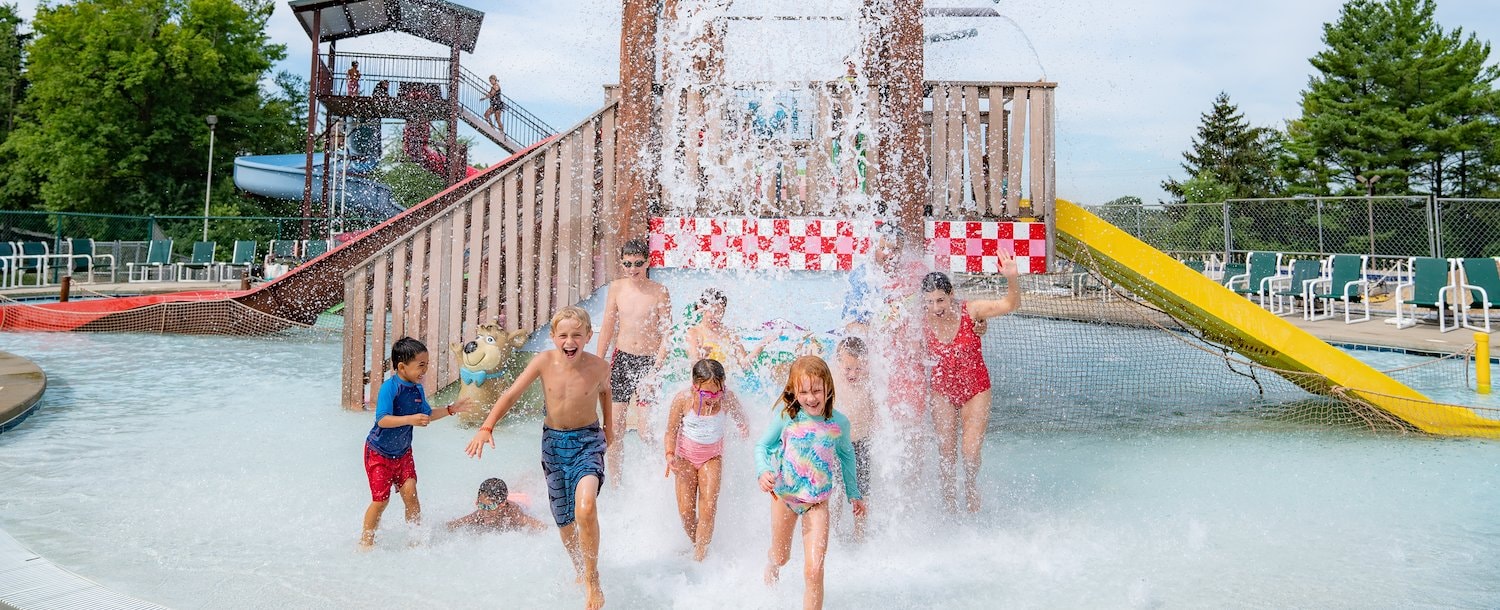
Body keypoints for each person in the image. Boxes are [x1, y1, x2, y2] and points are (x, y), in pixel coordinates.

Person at [466, 306, 613, 610]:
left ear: (587, 336)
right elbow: (510, 394)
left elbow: (605, 394)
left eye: (576, 335)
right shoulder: (543, 361)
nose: (569, 341)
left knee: (585, 508)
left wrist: (609, 428)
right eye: (563, 335)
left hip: (588, 441)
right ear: (553, 337)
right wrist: (486, 426)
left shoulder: (599, 366)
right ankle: (578, 567)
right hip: (554, 445)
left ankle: (592, 577)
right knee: (564, 520)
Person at [756, 356, 866, 610]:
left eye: (816, 390)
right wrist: (762, 471)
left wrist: (854, 493)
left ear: (828, 386)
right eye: (803, 391)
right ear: (794, 391)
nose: (811, 397)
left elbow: (847, 456)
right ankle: (772, 562)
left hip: (818, 504)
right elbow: (762, 445)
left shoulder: (838, 423)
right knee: (782, 557)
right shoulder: (787, 417)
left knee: (814, 571)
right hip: (785, 499)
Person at [919, 256, 1021, 514]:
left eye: (940, 300)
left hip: (976, 388)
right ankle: (949, 502)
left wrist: (1011, 277)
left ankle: (971, 486)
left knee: (971, 452)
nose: (935, 307)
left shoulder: (971, 311)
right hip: (942, 390)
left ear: (951, 294)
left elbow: (1011, 304)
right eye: (929, 302)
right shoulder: (920, 320)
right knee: (946, 452)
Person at [360, 337, 472, 548]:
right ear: (402, 367)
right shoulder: (390, 388)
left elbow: (427, 415)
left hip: (402, 453)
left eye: (427, 365)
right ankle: (366, 542)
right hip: (378, 452)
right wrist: (410, 420)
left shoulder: (418, 389)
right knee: (381, 501)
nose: (425, 370)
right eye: (421, 365)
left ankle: (415, 540)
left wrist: (450, 409)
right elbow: (382, 420)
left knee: (411, 495)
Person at [594, 238, 672, 486]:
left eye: (638, 263)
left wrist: (658, 365)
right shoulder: (616, 288)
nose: (633, 268)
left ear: (648, 262)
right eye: (627, 263)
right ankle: (616, 482)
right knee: (614, 430)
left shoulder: (659, 291)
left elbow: (668, 332)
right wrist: (599, 362)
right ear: (622, 263)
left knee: (646, 430)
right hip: (622, 360)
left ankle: (655, 480)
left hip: (650, 363)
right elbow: (607, 326)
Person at [662, 359, 749, 561]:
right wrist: (668, 454)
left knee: (708, 508)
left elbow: (742, 419)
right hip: (684, 457)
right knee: (686, 512)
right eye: (706, 393)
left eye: (717, 392)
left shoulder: (727, 399)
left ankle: (700, 558)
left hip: (712, 457)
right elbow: (671, 431)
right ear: (695, 386)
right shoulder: (682, 400)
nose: (712, 398)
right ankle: (698, 545)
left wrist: (744, 428)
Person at [832, 336, 874, 541]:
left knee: (862, 490)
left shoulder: (869, 382)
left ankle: (860, 534)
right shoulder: (831, 379)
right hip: (837, 444)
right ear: (838, 362)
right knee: (837, 490)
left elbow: (875, 411)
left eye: (858, 369)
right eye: (848, 368)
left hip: (861, 442)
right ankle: (833, 531)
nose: (853, 374)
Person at [685, 288, 769, 372]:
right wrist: (701, 357)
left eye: (721, 312)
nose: (717, 316)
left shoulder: (729, 333)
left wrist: (764, 342)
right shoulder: (694, 333)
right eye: (713, 311)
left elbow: (745, 364)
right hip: (705, 383)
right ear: (701, 308)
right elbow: (694, 366)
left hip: (725, 383)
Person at [447, 477, 547, 533]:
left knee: (524, 487)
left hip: (522, 500)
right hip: (501, 498)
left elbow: (543, 527)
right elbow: (453, 524)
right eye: (481, 506)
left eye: (490, 507)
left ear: (502, 504)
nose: (485, 512)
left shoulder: (513, 515)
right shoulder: (482, 512)